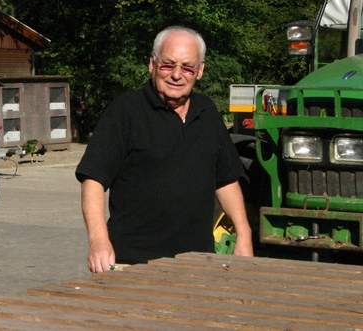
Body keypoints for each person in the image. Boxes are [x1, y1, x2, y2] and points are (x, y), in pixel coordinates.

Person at [75, 26, 253, 273]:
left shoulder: (207, 111)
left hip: (200, 262)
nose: (177, 75)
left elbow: (225, 179)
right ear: (152, 65)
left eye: (188, 67)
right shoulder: (125, 111)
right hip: (132, 262)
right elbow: (93, 180)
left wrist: (244, 234)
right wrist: (98, 242)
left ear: (200, 71)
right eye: (168, 65)